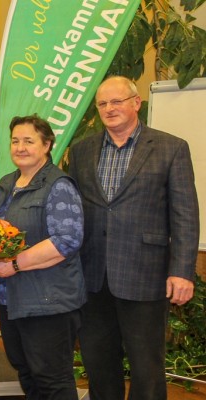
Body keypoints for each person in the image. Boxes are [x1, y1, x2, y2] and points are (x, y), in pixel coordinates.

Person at [68, 76, 200, 400]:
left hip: (145, 276)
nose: (109, 108)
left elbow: (185, 215)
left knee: (146, 370)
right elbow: (71, 212)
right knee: (99, 365)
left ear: (136, 103)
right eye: (103, 104)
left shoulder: (171, 148)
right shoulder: (81, 150)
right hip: (93, 277)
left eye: (117, 101)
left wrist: (182, 270)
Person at [0, 114, 86, 399]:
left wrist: (13, 264)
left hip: (47, 301)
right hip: (10, 298)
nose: (20, 147)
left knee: (52, 379)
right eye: (15, 141)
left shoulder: (58, 185)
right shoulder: (7, 183)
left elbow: (66, 240)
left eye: (28, 141)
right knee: (27, 373)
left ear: (47, 144)